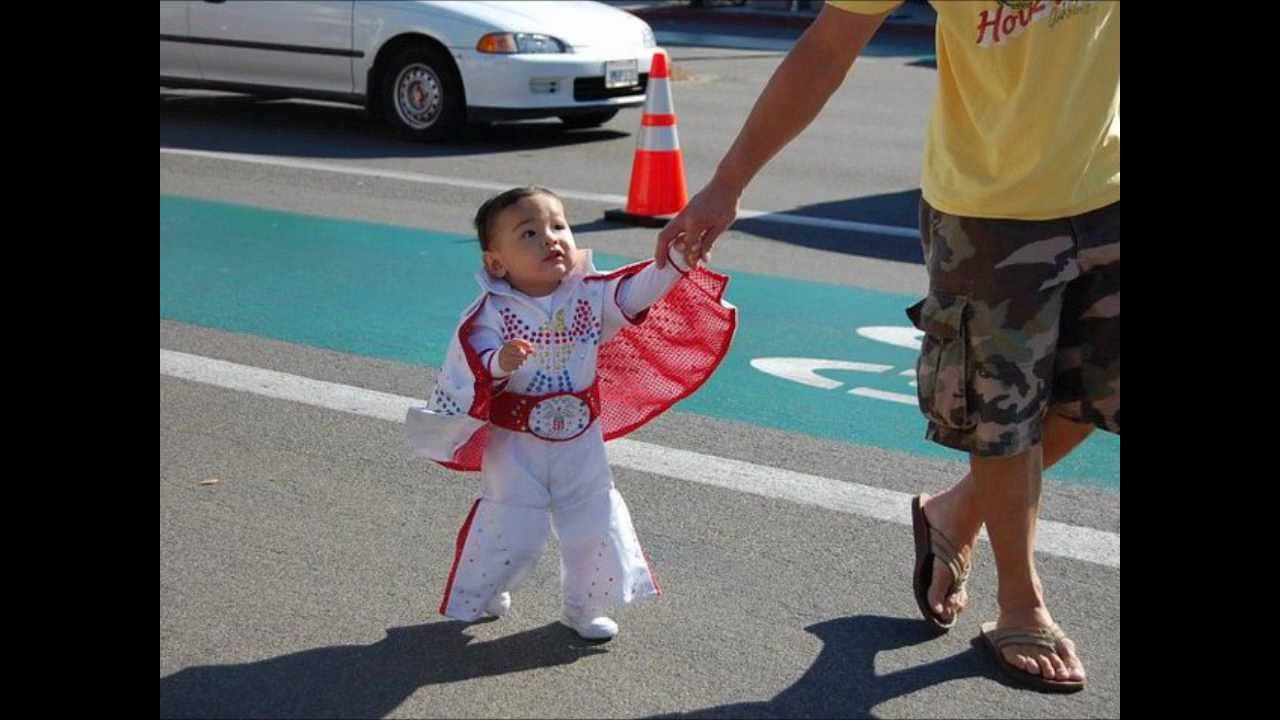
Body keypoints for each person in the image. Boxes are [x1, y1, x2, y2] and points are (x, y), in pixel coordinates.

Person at [655, 0, 1118, 692]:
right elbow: (827, 47)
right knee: (1001, 417)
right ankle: (1020, 603)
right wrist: (728, 183)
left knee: (1100, 396)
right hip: (989, 211)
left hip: (1109, 191)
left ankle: (957, 511)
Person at [405, 186, 737, 640]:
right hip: (515, 444)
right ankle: (488, 588)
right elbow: (474, 359)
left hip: (581, 439)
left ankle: (583, 607)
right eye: (529, 233)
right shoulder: (490, 313)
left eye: (558, 226)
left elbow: (638, 291)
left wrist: (677, 261)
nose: (551, 238)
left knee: (592, 522)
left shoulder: (591, 293)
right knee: (513, 531)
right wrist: (500, 362)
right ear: (496, 263)